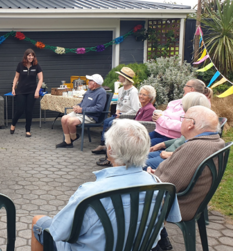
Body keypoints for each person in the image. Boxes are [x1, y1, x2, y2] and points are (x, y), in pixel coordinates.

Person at [32, 119, 181, 251]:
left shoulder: (91, 192)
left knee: (38, 222)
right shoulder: (160, 186)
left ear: (109, 150)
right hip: (140, 246)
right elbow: (164, 222)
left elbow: (59, 232)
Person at [147, 106, 224, 249]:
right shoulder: (215, 140)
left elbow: (169, 183)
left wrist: (151, 176)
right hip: (192, 198)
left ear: (191, 124)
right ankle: (161, 241)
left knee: (127, 199)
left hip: (181, 203)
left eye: (183, 118)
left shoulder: (195, 147)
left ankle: (147, 243)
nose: (180, 122)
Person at [146, 92, 211, 169]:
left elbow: (193, 152)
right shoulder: (196, 121)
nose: (182, 106)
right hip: (169, 151)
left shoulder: (196, 126)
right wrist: (162, 144)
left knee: (136, 164)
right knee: (135, 159)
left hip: (173, 158)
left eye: (183, 104)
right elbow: (182, 139)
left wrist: (171, 154)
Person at [95, 85, 156, 166]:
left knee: (118, 135)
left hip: (138, 134)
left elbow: (143, 125)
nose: (141, 96)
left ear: (150, 98)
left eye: (144, 95)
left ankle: (110, 158)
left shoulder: (150, 109)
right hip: (134, 129)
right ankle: (110, 157)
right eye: (140, 94)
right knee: (113, 129)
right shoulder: (142, 107)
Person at [92, 67, 140, 154]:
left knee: (111, 123)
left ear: (125, 78)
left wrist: (122, 115)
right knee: (106, 121)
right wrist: (117, 110)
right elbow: (119, 102)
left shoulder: (133, 92)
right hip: (120, 114)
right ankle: (104, 144)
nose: (118, 76)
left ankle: (112, 146)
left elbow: (135, 109)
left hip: (127, 116)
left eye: (120, 75)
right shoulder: (121, 89)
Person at [149, 79, 211, 146]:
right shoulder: (176, 102)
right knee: (137, 140)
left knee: (141, 146)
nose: (183, 88)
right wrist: (158, 117)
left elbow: (184, 126)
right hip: (158, 131)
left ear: (191, 89)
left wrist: (161, 119)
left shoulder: (197, 105)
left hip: (172, 138)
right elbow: (165, 114)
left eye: (186, 85)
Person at [55, 74, 107, 148]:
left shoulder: (102, 92)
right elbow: (83, 102)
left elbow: (99, 108)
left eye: (90, 81)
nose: (88, 82)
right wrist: (77, 106)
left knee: (70, 121)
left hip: (90, 116)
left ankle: (73, 137)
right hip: (81, 112)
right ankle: (68, 142)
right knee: (64, 118)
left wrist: (82, 109)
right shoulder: (89, 91)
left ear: (95, 83)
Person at [10, 49, 43, 137]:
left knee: (29, 111)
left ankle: (28, 130)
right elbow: (16, 77)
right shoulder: (20, 65)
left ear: (34, 56)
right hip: (21, 91)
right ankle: (13, 124)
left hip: (32, 91)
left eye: (32, 55)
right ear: (26, 56)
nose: (30, 57)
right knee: (20, 110)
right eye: (29, 55)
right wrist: (13, 88)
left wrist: (37, 90)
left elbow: (41, 79)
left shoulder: (36, 66)